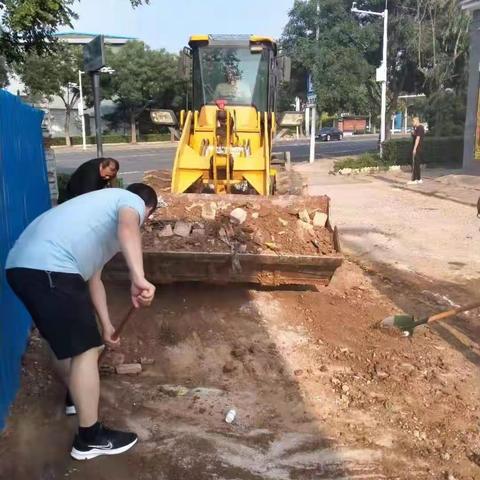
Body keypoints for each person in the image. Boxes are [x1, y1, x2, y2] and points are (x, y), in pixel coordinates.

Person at [5, 183, 158, 460]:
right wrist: (138, 275)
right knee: (87, 350)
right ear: (147, 210)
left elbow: (93, 279)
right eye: (144, 217)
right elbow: (128, 226)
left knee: (64, 343)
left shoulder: (95, 218)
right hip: (51, 268)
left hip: (23, 269)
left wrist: (107, 324)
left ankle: (75, 397)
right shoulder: (131, 201)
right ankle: (90, 438)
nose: (140, 221)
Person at [408, 117, 425, 185]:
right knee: (417, 164)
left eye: (413, 122)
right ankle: (419, 179)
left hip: (418, 148)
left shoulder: (420, 128)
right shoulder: (417, 128)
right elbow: (415, 137)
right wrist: (412, 133)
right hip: (418, 148)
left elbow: (418, 139)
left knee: (414, 163)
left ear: (416, 121)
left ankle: (414, 179)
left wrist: (414, 149)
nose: (412, 123)